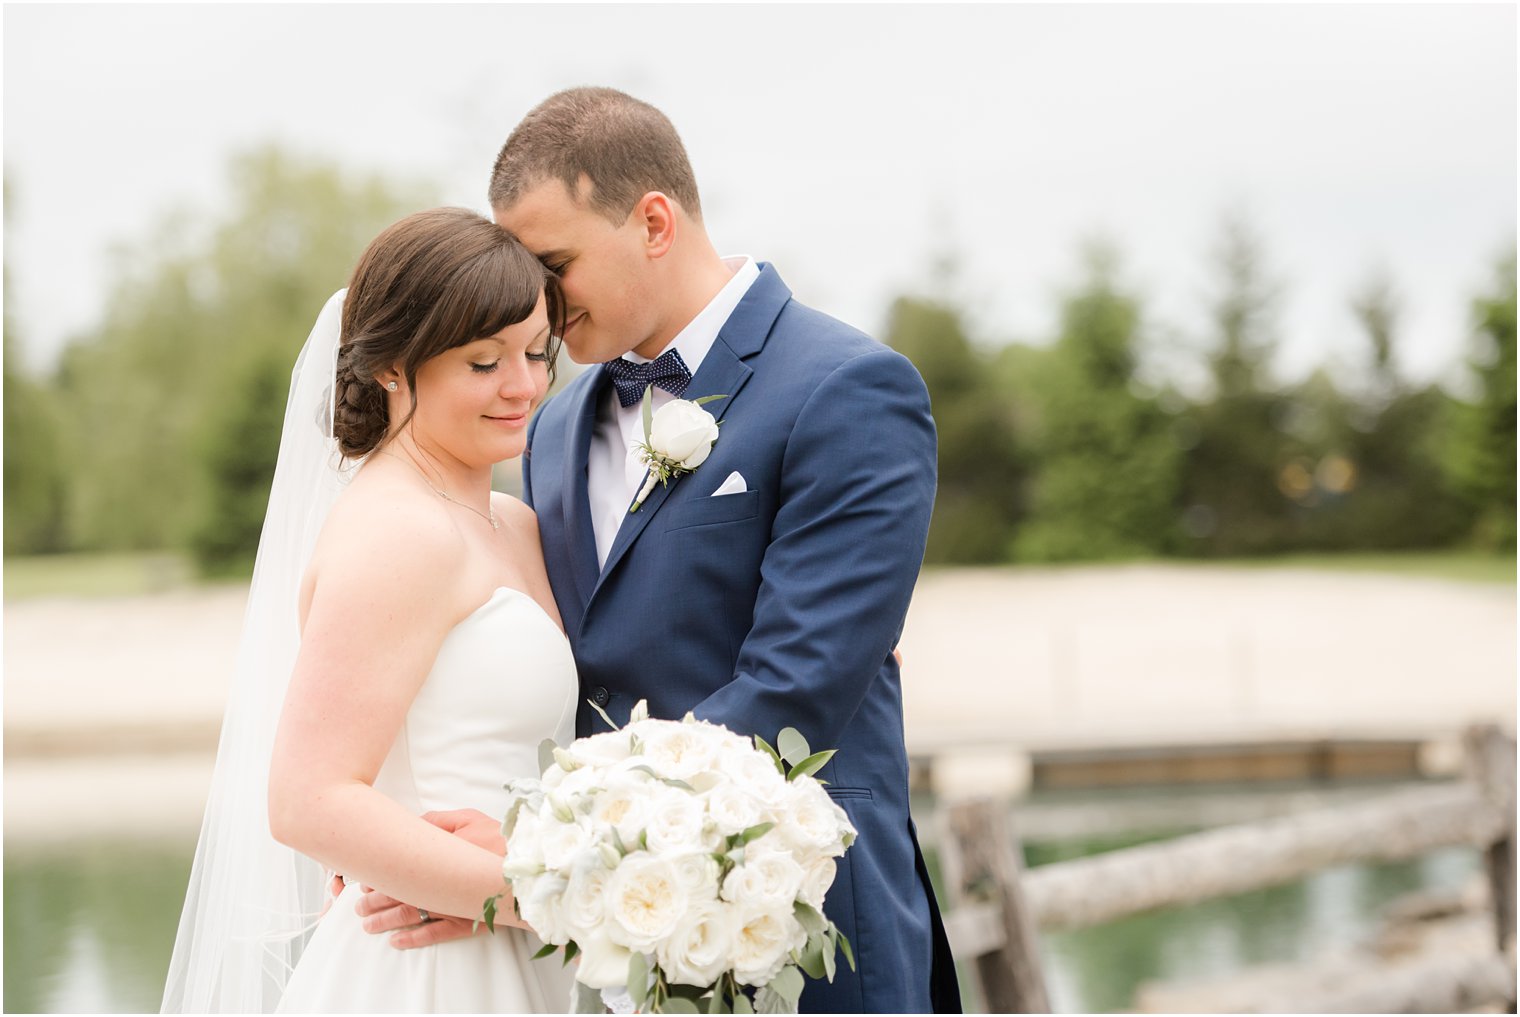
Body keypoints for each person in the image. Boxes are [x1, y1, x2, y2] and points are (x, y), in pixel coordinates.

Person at [355, 88, 961, 1013]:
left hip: (798, 937)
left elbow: (794, 690)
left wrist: (536, 855)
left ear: (652, 222)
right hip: (599, 955)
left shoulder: (848, 389)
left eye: (554, 264)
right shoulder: (550, 429)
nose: (538, 305)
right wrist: (433, 857)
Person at [161, 207, 578, 1013]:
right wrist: (544, 894)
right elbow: (308, 798)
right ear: (392, 367)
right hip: (431, 968)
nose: (524, 385)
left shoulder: (515, 523)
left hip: (525, 938)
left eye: (535, 352)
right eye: (484, 361)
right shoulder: (395, 532)